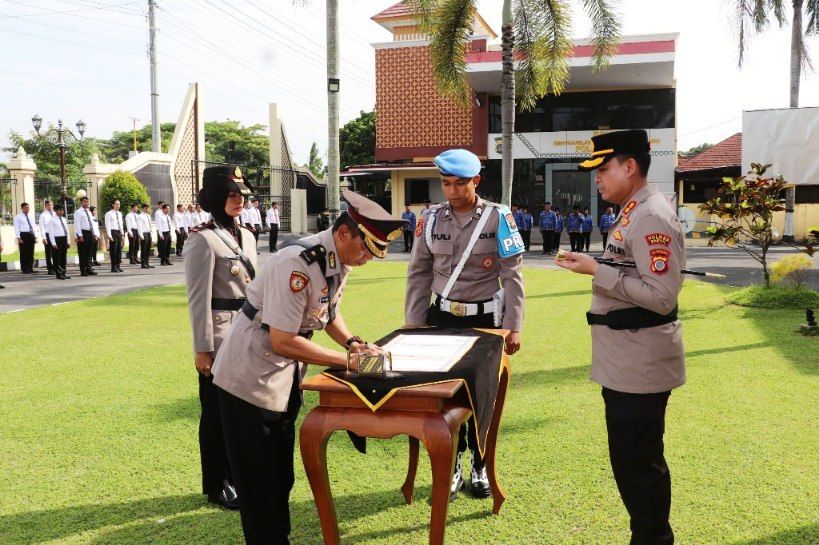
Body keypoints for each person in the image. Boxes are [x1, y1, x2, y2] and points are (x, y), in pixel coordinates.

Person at [211, 189, 405, 544]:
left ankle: (277, 536)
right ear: (344, 232)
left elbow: (327, 312)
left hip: (283, 377)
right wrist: (349, 361)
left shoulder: (336, 260)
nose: (366, 259)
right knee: (258, 478)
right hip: (248, 378)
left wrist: (351, 342)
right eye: (365, 249)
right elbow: (281, 340)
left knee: (280, 474)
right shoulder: (297, 263)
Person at [555, 129, 685, 545]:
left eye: (603, 169)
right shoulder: (633, 209)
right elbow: (631, 270)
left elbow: (661, 297)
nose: (596, 178)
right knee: (633, 462)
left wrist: (598, 271)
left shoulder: (650, 215)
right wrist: (597, 264)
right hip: (628, 361)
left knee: (638, 464)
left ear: (630, 167)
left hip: (639, 365)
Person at [404, 148, 525, 502]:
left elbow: (512, 277)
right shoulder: (430, 219)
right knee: (443, 395)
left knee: (480, 395)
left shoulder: (499, 218)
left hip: (485, 321)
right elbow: (418, 274)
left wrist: (513, 326)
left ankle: (480, 465)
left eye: (460, 183)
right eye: (446, 183)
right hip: (440, 318)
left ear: (476, 180)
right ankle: (453, 465)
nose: (453, 190)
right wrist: (414, 325)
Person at [184, 165, 258, 513]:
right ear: (213, 197)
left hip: (248, 334)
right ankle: (218, 483)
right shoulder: (202, 238)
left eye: (241, 193)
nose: (238, 199)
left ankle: (239, 474)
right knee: (215, 415)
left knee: (241, 413)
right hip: (219, 338)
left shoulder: (249, 235)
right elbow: (198, 300)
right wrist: (202, 350)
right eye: (230, 194)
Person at [73, 197, 99, 276]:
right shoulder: (78, 212)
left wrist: (95, 234)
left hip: (90, 233)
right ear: (81, 202)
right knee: (83, 253)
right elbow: (77, 225)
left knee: (89, 252)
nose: (86, 203)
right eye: (84, 202)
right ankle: (83, 270)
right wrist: (80, 235)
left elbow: (92, 223)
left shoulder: (89, 212)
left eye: (87, 202)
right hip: (83, 233)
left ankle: (89, 268)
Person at [46, 204, 71, 280]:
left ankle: (63, 272)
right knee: (57, 258)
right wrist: (53, 243)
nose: (61, 211)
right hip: (57, 239)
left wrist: (68, 241)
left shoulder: (63, 219)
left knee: (63, 257)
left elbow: (67, 231)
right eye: (60, 210)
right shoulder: (52, 220)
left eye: (62, 210)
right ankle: (58, 273)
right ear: (56, 211)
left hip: (64, 238)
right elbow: (51, 233)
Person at [14, 202, 38, 274]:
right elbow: (16, 228)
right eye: (25, 208)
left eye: (28, 207)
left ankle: (30, 268)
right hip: (23, 235)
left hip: (31, 234)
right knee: (24, 252)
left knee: (31, 252)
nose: (27, 209)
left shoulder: (31, 216)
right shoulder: (18, 217)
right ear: (22, 208)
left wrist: (35, 236)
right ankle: (24, 269)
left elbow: (33, 226)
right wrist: (18, 238)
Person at [105, 199, 125, 273]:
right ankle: (113, 266)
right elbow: (108, 225)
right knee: (114, 250)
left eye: (119, 204)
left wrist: (122, 234)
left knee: (119, 250)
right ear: (113, 205)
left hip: (118, 232)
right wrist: (109, 235)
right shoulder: (109, 214)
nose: (118, 206)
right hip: (113, 232)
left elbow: (121, 224)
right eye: (116, 204)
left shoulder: (119, 213)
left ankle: (118, 265)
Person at [38, 200, 56, 274]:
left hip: (55, 235)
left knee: (56, 252)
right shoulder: (43, 215)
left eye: (51, 205)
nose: (50, 207)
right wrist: (44, 238)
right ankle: (50, 268)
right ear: (45, 206)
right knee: (48, 253)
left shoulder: (55, 214)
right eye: (48, 205)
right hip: (47, 235)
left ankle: (56, 267)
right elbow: (41, 227)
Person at [137, 203, 154, 269]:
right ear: (142, 208)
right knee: (143, 249)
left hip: (148, 232)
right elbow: (139, 226)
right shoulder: (140, 216)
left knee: (148, 249)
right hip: (143, 233)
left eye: (147, 208)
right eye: (145, 208)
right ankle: (143, 263)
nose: (147, 209)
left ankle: (147, 262)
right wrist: (141, 235)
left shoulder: (148, 215)